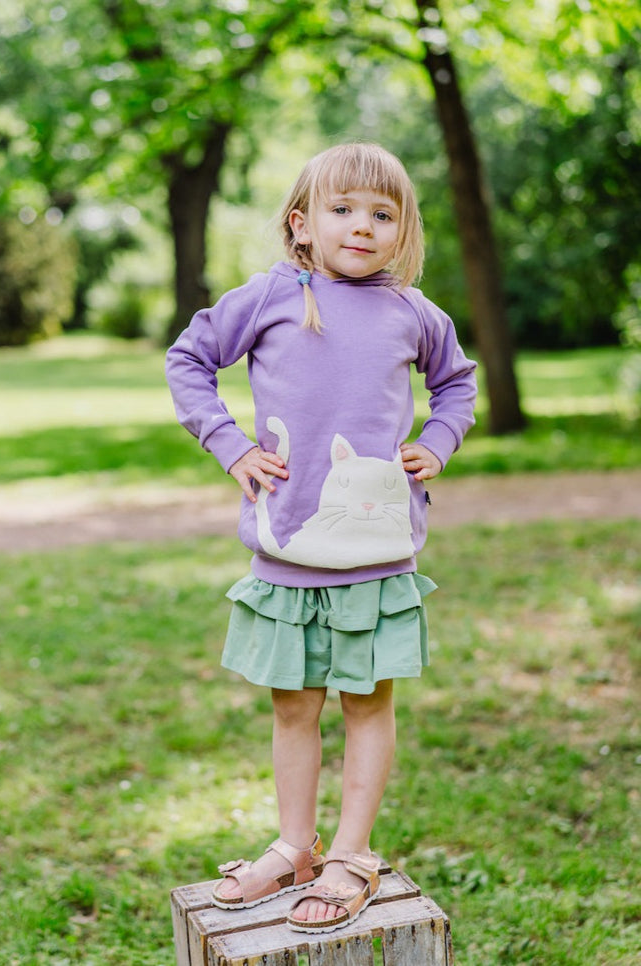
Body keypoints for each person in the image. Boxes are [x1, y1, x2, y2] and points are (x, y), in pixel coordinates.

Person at [165, 141, 477, 933]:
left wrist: (438, 441)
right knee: (294, 707)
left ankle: (350, 853)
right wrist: (230, 445)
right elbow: (189, 359)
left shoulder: (412, 311)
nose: (363, 226)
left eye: (383, 213)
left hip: (375, 558)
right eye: (343, 210)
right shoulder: (271, 296)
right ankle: (294, 846)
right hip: (287, 551)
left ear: (403, 228)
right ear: (302, 225)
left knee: (367, 706)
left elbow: (458, 382)